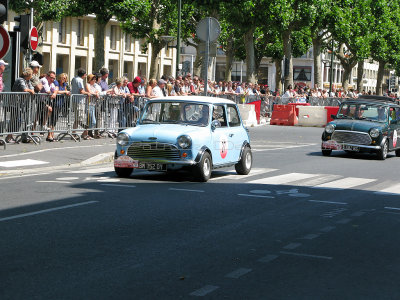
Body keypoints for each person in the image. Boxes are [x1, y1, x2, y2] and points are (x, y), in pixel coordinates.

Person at [7, 68, 35, 143]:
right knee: (14, 120)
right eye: (31, 74)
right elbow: (25, 89)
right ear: (28, 74)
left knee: (18, 121)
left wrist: (31, 90)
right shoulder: (20, 80)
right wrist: (30, 90)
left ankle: (12, 136)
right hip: (15, 103)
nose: (32, 76)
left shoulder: (27, 81)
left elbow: (32, 88)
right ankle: (9, 137)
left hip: (22, 104)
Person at [71, 68, 91, 140]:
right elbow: (81, 91)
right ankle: (78, 132)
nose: (85, 76)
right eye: (85, 74)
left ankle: (80, 132)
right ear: (83, 75)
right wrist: (88, 93)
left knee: (78, 118)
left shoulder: (74, 79)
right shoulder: (79, 80)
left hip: (75, 100)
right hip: (79, 101)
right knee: (79, 118)